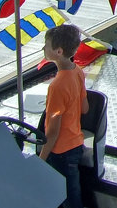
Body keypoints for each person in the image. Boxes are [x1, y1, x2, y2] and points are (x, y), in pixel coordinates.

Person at [39, 23, 88, 208]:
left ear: (58, 51)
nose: (43, 48)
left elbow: (52, 132)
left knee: (66, 198)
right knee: (73, 193)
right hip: (76, 143)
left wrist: (41, 159)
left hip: (60, 152)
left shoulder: (56, 86)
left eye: (46, 45)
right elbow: (84, 108)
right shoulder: (78, 72)